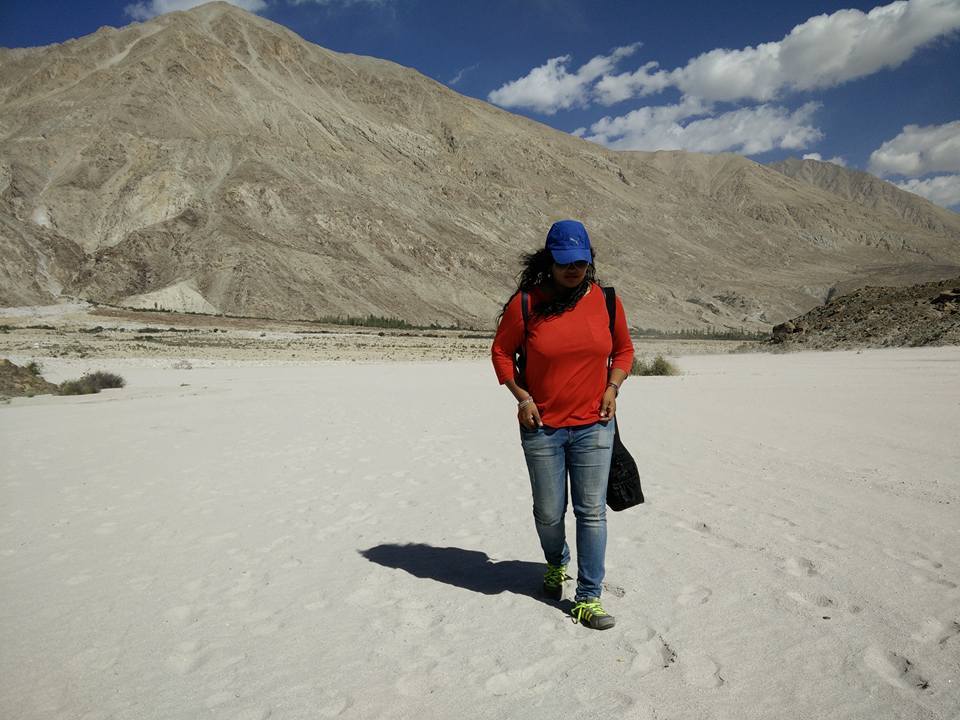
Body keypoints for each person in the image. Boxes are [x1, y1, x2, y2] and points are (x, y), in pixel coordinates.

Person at [491, 219, 635, 630]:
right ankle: (557, 563)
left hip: (594, 425)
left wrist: (613, 386)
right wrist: (523, 397)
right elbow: (501, 353)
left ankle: (588, 596)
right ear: (550, 261)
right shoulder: (526, 304)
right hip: (542, 428)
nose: (574, 270)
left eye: (582, 262)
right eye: (566, 262)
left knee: (591, 513)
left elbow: (624, 350)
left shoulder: (606, 302)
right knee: (550, 512)